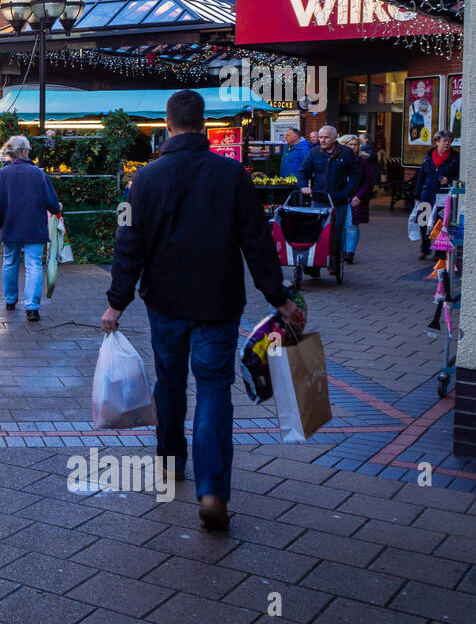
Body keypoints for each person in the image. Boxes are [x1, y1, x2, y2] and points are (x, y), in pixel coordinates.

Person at [103, 90, 302, 532]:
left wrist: (117, 302)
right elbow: (258, 244)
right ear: (205, 125)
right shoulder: (233, 175)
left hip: (165, 304)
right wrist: (280, 298)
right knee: (214, 388)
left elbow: (127, 245)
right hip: (218, 302)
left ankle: (172, 461)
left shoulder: (144, 181)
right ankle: (212, 491)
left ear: (168, 125)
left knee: (170, 381)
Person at [0, 135, 62, 322]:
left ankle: (10, 300)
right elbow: (51, 203)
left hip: (10, 226)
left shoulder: (1, 175)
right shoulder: (39, 174)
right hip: (34, 227)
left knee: (10, 262)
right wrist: (57, 208)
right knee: (33, 265)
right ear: (25, 151)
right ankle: (32, 308)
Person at [298, 125, 360, 277]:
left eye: (326, 137)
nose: (322, 140)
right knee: (316, 232)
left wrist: (347, 192)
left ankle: (334, 261)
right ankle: (314, 264)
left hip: (338, 202)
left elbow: (355, 175)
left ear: (334, 138)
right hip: (318, 200)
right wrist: (304, 186)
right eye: (320, 137)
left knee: (336, 233)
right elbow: (303, 172)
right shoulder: (314, 153)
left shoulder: (346, 153)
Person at [414, 130, 459, 259]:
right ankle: (425, 247)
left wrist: (449, 180)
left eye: (449, 141)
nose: (447, 143)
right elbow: (421, 175)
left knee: (440, 222)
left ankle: (439, 251)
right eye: (444, 141)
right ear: (437, 142)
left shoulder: (454, 158)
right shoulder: (428, 156)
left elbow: (458, 175)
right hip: (427, 192)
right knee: (423, 220)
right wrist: (417, 193)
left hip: (443, 194)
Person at [341, 134, 372, 263]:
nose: (354, 147)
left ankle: (350, 252)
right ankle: (343, 250)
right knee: (341, 226)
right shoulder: (339, 159)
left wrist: (359, 195)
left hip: (355, 197)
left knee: (351, 225)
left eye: (356, 145)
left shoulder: (362, 161)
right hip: (341, 197)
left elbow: (368, 180)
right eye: (351, 144)